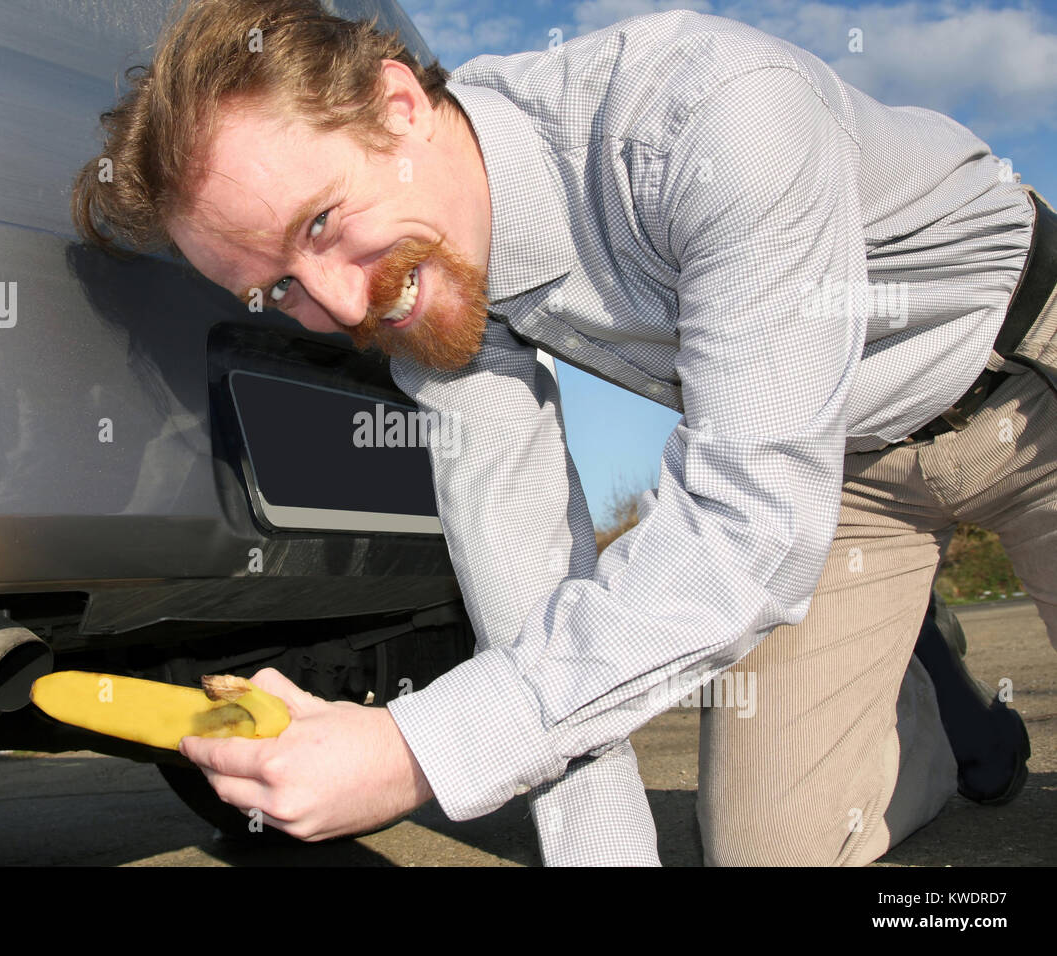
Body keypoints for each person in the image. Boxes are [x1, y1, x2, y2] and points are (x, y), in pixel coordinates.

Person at [71, 0, 1047, 865]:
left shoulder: (720, 115)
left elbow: (749, 529)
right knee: (764, 850)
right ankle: (921, 714)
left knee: (754, 564)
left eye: (320, 220)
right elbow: (532, 602)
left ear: (397, 104)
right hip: (843, 469)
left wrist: (415, 749)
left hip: (1024, 385)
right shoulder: (426, 296)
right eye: (276, 284)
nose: (335, 302)